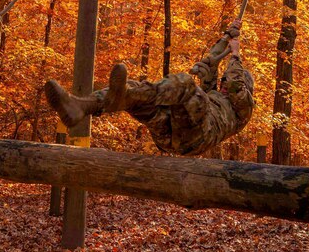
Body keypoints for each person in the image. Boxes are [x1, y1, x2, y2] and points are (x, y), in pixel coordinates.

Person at [45, 23, 254, 157]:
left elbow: (236, 87)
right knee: (134, 91)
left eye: (229, 80)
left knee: (186, 84)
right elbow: (210, 63)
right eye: (224, 80)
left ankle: (124, 98)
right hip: (170, 136)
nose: (225, 83)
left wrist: (236, 55)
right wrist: (227, 37)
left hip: (198, 136)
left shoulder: (244, 107)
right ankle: (82, 105)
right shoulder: (218, 96)